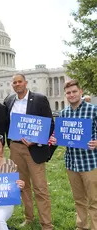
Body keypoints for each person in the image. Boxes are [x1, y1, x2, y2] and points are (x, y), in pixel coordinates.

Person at [4, 73, 54, 229]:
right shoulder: (9, 101)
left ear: (25, 83)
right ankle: (29, 217)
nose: (17, 84)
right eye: (14, 82)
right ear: (12, 85)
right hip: (15, 147)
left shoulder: (39, 99)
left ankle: (46, 224)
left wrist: (36, 139)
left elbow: (50, 124)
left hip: (33, 147)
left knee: (40, 187)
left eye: (20, 81)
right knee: (23, 185)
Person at [50, 79, 97, 230]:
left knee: (94, 200)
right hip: (72, 162)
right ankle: (82, 226)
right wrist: (55, 139)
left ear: (81, 92)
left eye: (74, 92)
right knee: (79, 199)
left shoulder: (93, 110)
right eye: (68, 93)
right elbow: (61, 137)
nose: (71, 95)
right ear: (65, 95)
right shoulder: (63, 114)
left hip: (90, 162)